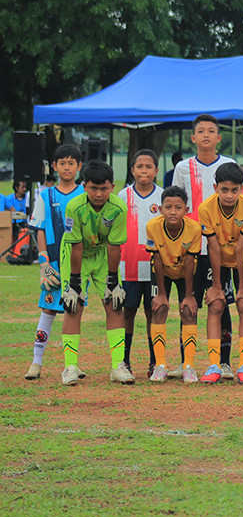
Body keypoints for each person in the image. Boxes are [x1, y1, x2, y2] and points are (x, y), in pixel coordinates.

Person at [174, 114, 238, 378]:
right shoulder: (182, 168)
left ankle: (224, 362)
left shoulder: (229, 164)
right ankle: (185, 362)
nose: (206, 135)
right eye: (201, 131)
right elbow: (176, 204)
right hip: (191, 248)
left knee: (219, 303)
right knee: (188, 304)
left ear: (219, 138)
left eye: (211, 131)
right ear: (193, 137)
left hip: (220, 249)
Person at [58, 160, 133, 385]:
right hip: (75, 254)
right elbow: (77, 246)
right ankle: (70, 367)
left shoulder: (119, 207)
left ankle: (117, 366)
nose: (99, 194)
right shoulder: (74, 207)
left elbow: (114, 246)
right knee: (74, 305)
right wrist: (74, 283)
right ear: (84, 187)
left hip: (103, 254)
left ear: (112, 187)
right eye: (93, 188)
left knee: (114, 302)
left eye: (104, 188)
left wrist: (112, 280)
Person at [24, 144, 84, 380]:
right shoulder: (45, 195)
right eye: (62, 163)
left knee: (75, 311)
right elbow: (39, 229)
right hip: (54, 264)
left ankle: (72, 364)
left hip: (78, 264)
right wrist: (44, 262)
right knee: (48, 309)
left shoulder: (84, 195)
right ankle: (36, 363)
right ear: (54, 166)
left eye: (72, 163)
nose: (67, 167)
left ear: (79, 167)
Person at [198, 162, 243, 384]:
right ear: (215, 188)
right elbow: (213, 247)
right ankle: (214, 365)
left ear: (241, 189)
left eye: (235, 190)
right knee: (215, 304)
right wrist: (215, 286)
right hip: (218, 260)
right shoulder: (205, 209)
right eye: (224, 190)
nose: (229, 195)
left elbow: (242, 247)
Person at [146, 186, 201, 382]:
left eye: (178, 207)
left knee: (188, 310)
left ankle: (188, 366)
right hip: (162, 271)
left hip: (186, 272)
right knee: (159, 309)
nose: (173, 212)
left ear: (186, 210)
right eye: (168, 207)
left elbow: (189, 261)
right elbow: (157, 259)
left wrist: (188, 295)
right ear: (160, 209)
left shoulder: (194, 229)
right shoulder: (153, 226)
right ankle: (160, 365)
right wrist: (161, 293)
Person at [117, 149, 163, 376]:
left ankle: (155, 362)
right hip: (129, 265)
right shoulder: (123, 196)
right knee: (128, 311)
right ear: (132, 170)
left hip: (155, 265)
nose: (144, 170)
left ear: (156, 170)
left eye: (149, 167)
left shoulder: (163, 197)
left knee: (152, 311)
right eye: (139, 166)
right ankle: (124, 361)